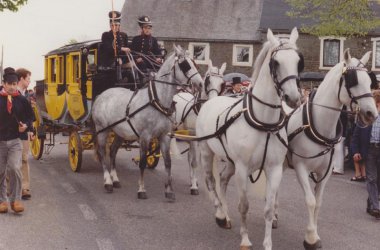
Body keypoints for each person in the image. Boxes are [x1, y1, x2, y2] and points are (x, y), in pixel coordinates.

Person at [0, 67, 34, 214]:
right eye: (9, 84)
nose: (12, 87)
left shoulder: (21, 99)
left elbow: (30, 117)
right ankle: (2, 201)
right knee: (0, 171)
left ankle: (15, 200)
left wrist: (26, 126)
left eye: (14, 84)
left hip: (15, 141)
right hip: (0, 141)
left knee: (15, 168)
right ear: (3, 83)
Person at [350, 90, 380, 220]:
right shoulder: (366, 116)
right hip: (370, 150)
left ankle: (371, 202)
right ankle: (376, 207)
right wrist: (355, 151)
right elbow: (355, 136)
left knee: (377, 180)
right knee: (371, 178)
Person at [16, 68, 35, 199]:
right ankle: (8, 188)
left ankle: (25, 188)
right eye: (28, 78)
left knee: (24, 160)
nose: (29, 81)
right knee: (9, 162)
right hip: (10, 132)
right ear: (21, 78)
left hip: (24, 132)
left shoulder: (26, 95)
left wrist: (30, 129)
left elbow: (30, 115)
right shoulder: (13, 94)